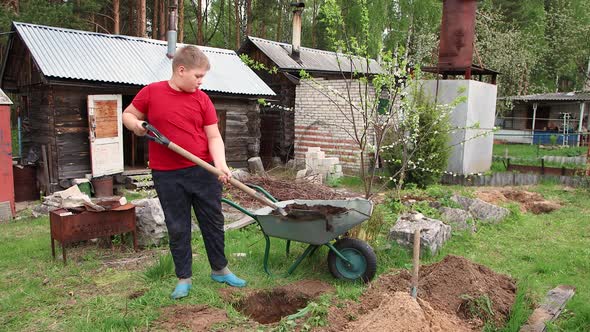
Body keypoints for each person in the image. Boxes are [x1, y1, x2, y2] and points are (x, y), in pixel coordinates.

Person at [122, 45, 246, 299]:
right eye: (198, 76)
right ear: (181, 70)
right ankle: (184, 278)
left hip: (203, 171)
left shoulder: (202, 99)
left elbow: (214, 136)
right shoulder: (152, 92)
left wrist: (220, 165)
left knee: (213, 222)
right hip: (168, 175)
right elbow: (128, 114)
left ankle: (220, 270)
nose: (201, 81)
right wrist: (136, 126)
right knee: (178, 226)